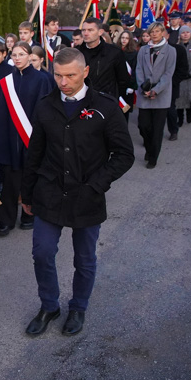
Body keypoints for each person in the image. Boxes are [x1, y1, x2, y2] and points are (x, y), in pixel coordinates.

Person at [20, 48, 134, 337]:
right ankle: (49, 306)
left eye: (70, 75)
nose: (63, 81)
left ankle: (78, 306)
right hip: (49, 192)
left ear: (85, 72)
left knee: (84, 258)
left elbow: (124, 154)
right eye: (58, 75)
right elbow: (36, 152)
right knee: (42, 253)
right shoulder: (46, 106)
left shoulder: (106, 107)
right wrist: (27, 193)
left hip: (87, 195)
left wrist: (98, 183)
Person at [0, 43, 55, 237]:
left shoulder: (42, 80)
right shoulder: (7, 80)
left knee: (30, 180)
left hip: (31, 138)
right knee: (8, 183)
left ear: (30, 56)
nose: (17, 58)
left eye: (22, 54)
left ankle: (29, 216)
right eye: (14, 55)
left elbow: (43, 112)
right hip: (10, 139)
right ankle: (5, 221)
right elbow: (2, 113)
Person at [136, 23, 177, 169]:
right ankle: (149, 147)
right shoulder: (143, 50)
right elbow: (139, 69)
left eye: (157, 31)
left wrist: (156, 90)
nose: (154, 34)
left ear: (163, 33)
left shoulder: (170, 51)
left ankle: (153, 157)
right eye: (151, 32)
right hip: (144, 94)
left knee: (157, 129)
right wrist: (143, 87)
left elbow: (168, 74)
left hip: (161, 95)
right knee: (143, 126)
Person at [76, 18, 130, 100]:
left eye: (90, 30)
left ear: (100, 32)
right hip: (82, 101)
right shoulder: (76, 53)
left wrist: (113, 98)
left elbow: (123, 80)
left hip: (106, 102)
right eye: (83, 30)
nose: (86, 33)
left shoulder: (114, 52)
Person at [166, 28, 190, 141]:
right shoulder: (149, 49)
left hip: (171, 85)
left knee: (170, 110)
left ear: (167, 36)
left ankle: (173, 130)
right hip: (154, 86)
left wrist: (172, 82)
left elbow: (183, 69)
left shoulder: (178, 50)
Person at [118, 31, 139, 122]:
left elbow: (135, 70)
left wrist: (132, 86)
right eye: (122, 38)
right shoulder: (115, 51)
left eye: (126, 38)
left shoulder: (134, 53)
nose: (124, 40)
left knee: (124, 111)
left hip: (127, 86)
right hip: (116, 85)